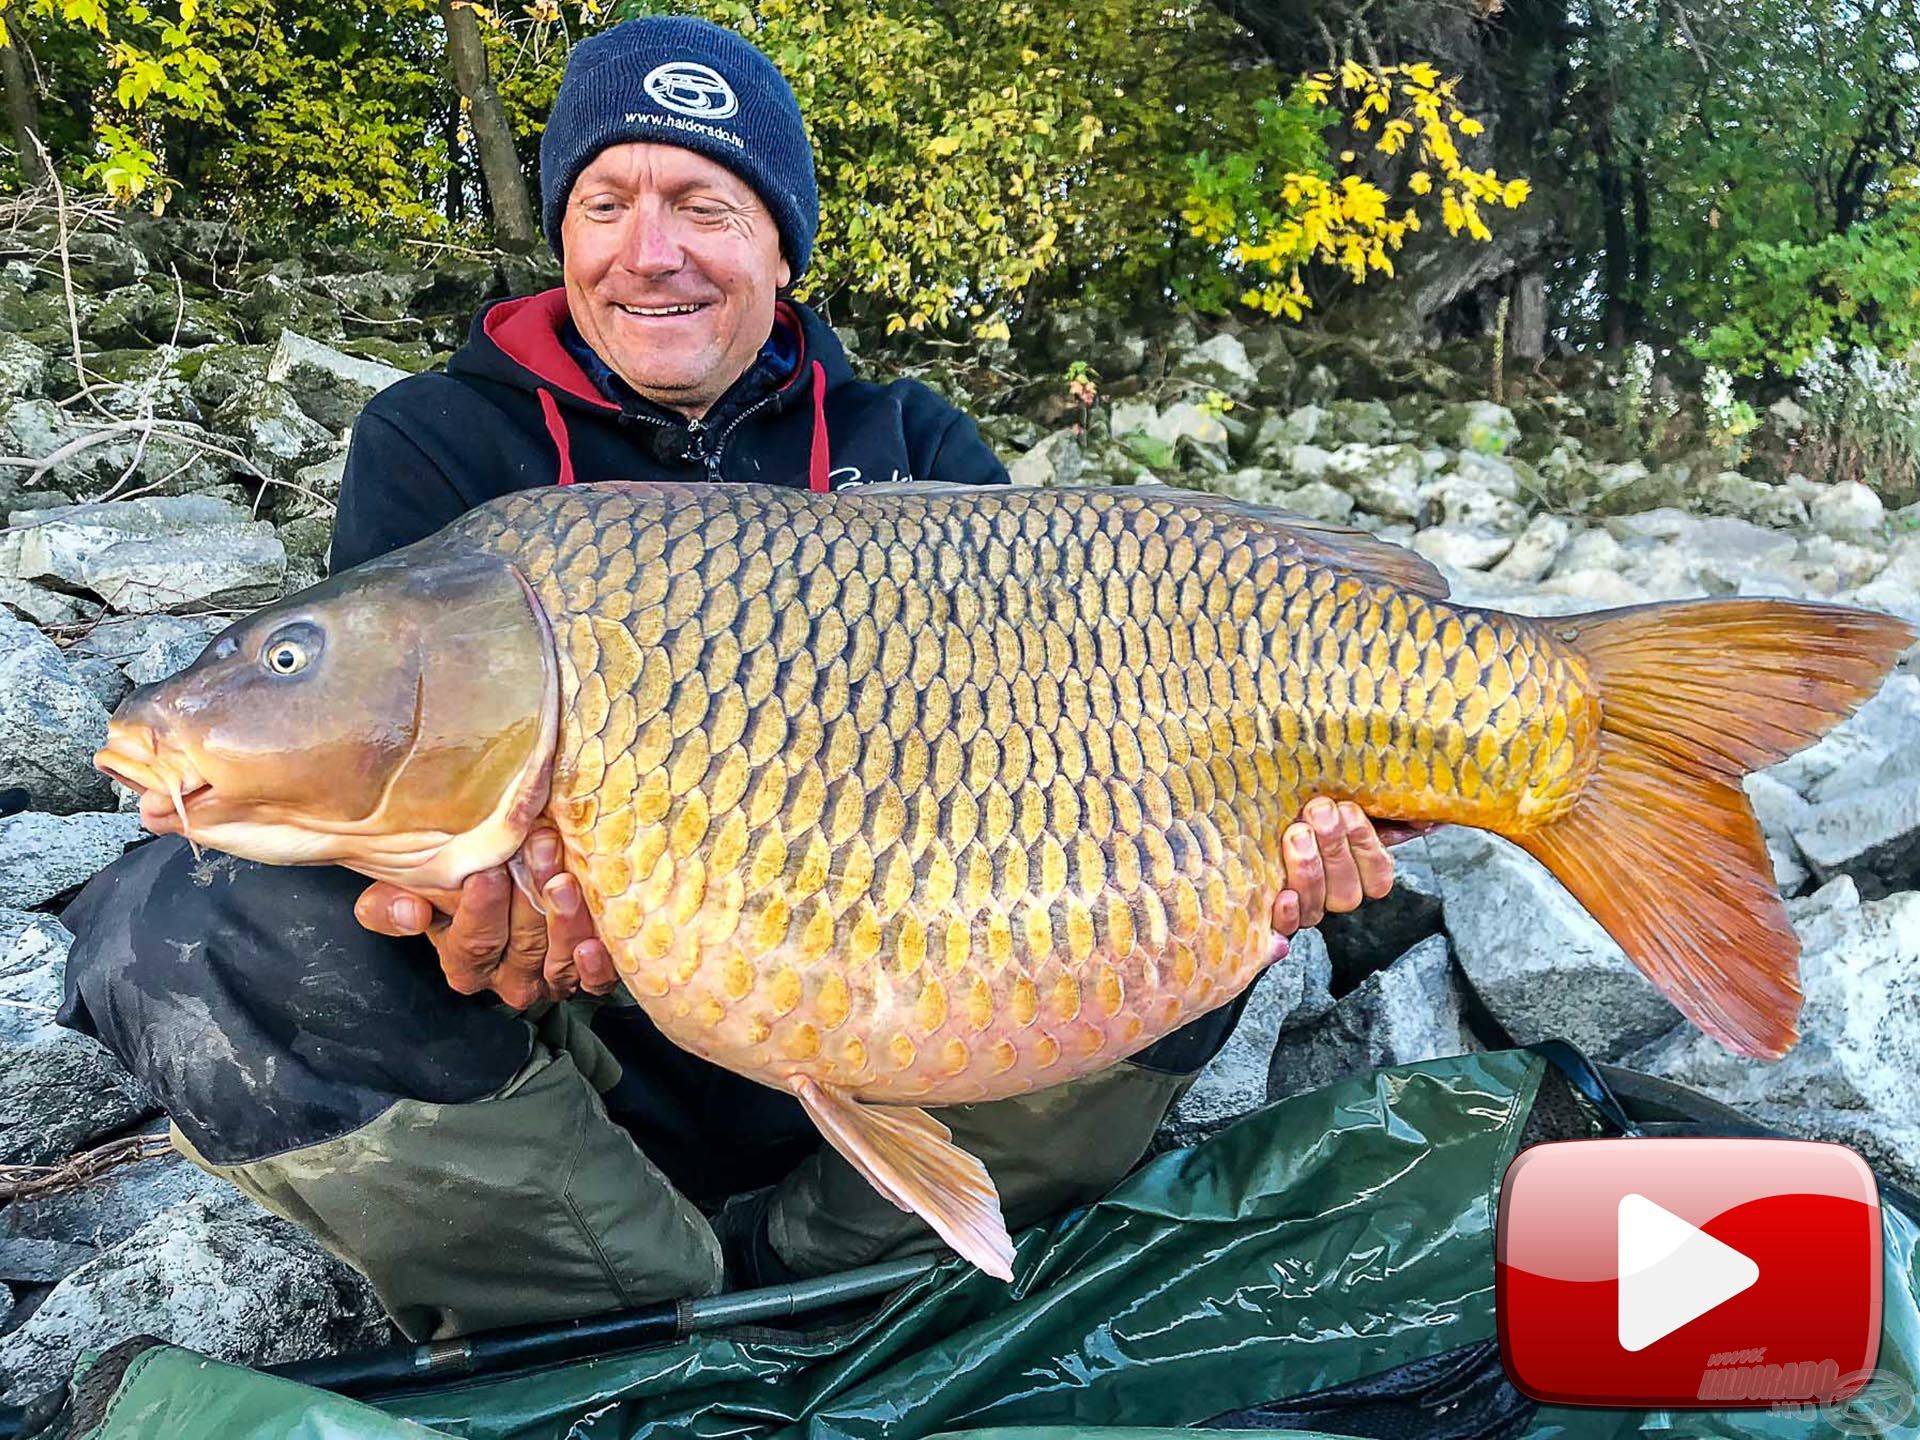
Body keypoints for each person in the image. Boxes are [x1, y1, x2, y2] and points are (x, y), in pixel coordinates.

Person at [58, 16, 1397, 1341]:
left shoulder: (910, 439)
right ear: (565, 235)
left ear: (778, 243)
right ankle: (628, 1305)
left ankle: (836, 1269)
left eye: (705, 203)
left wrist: (1262, 843)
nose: (652, 251)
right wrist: (461, 893)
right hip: (565, 1087)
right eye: (606, 202)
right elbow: (388, 816)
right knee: (173, 925)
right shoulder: (441, 440)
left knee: (1205, 901)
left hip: (916, 985)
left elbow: (1065, 741)